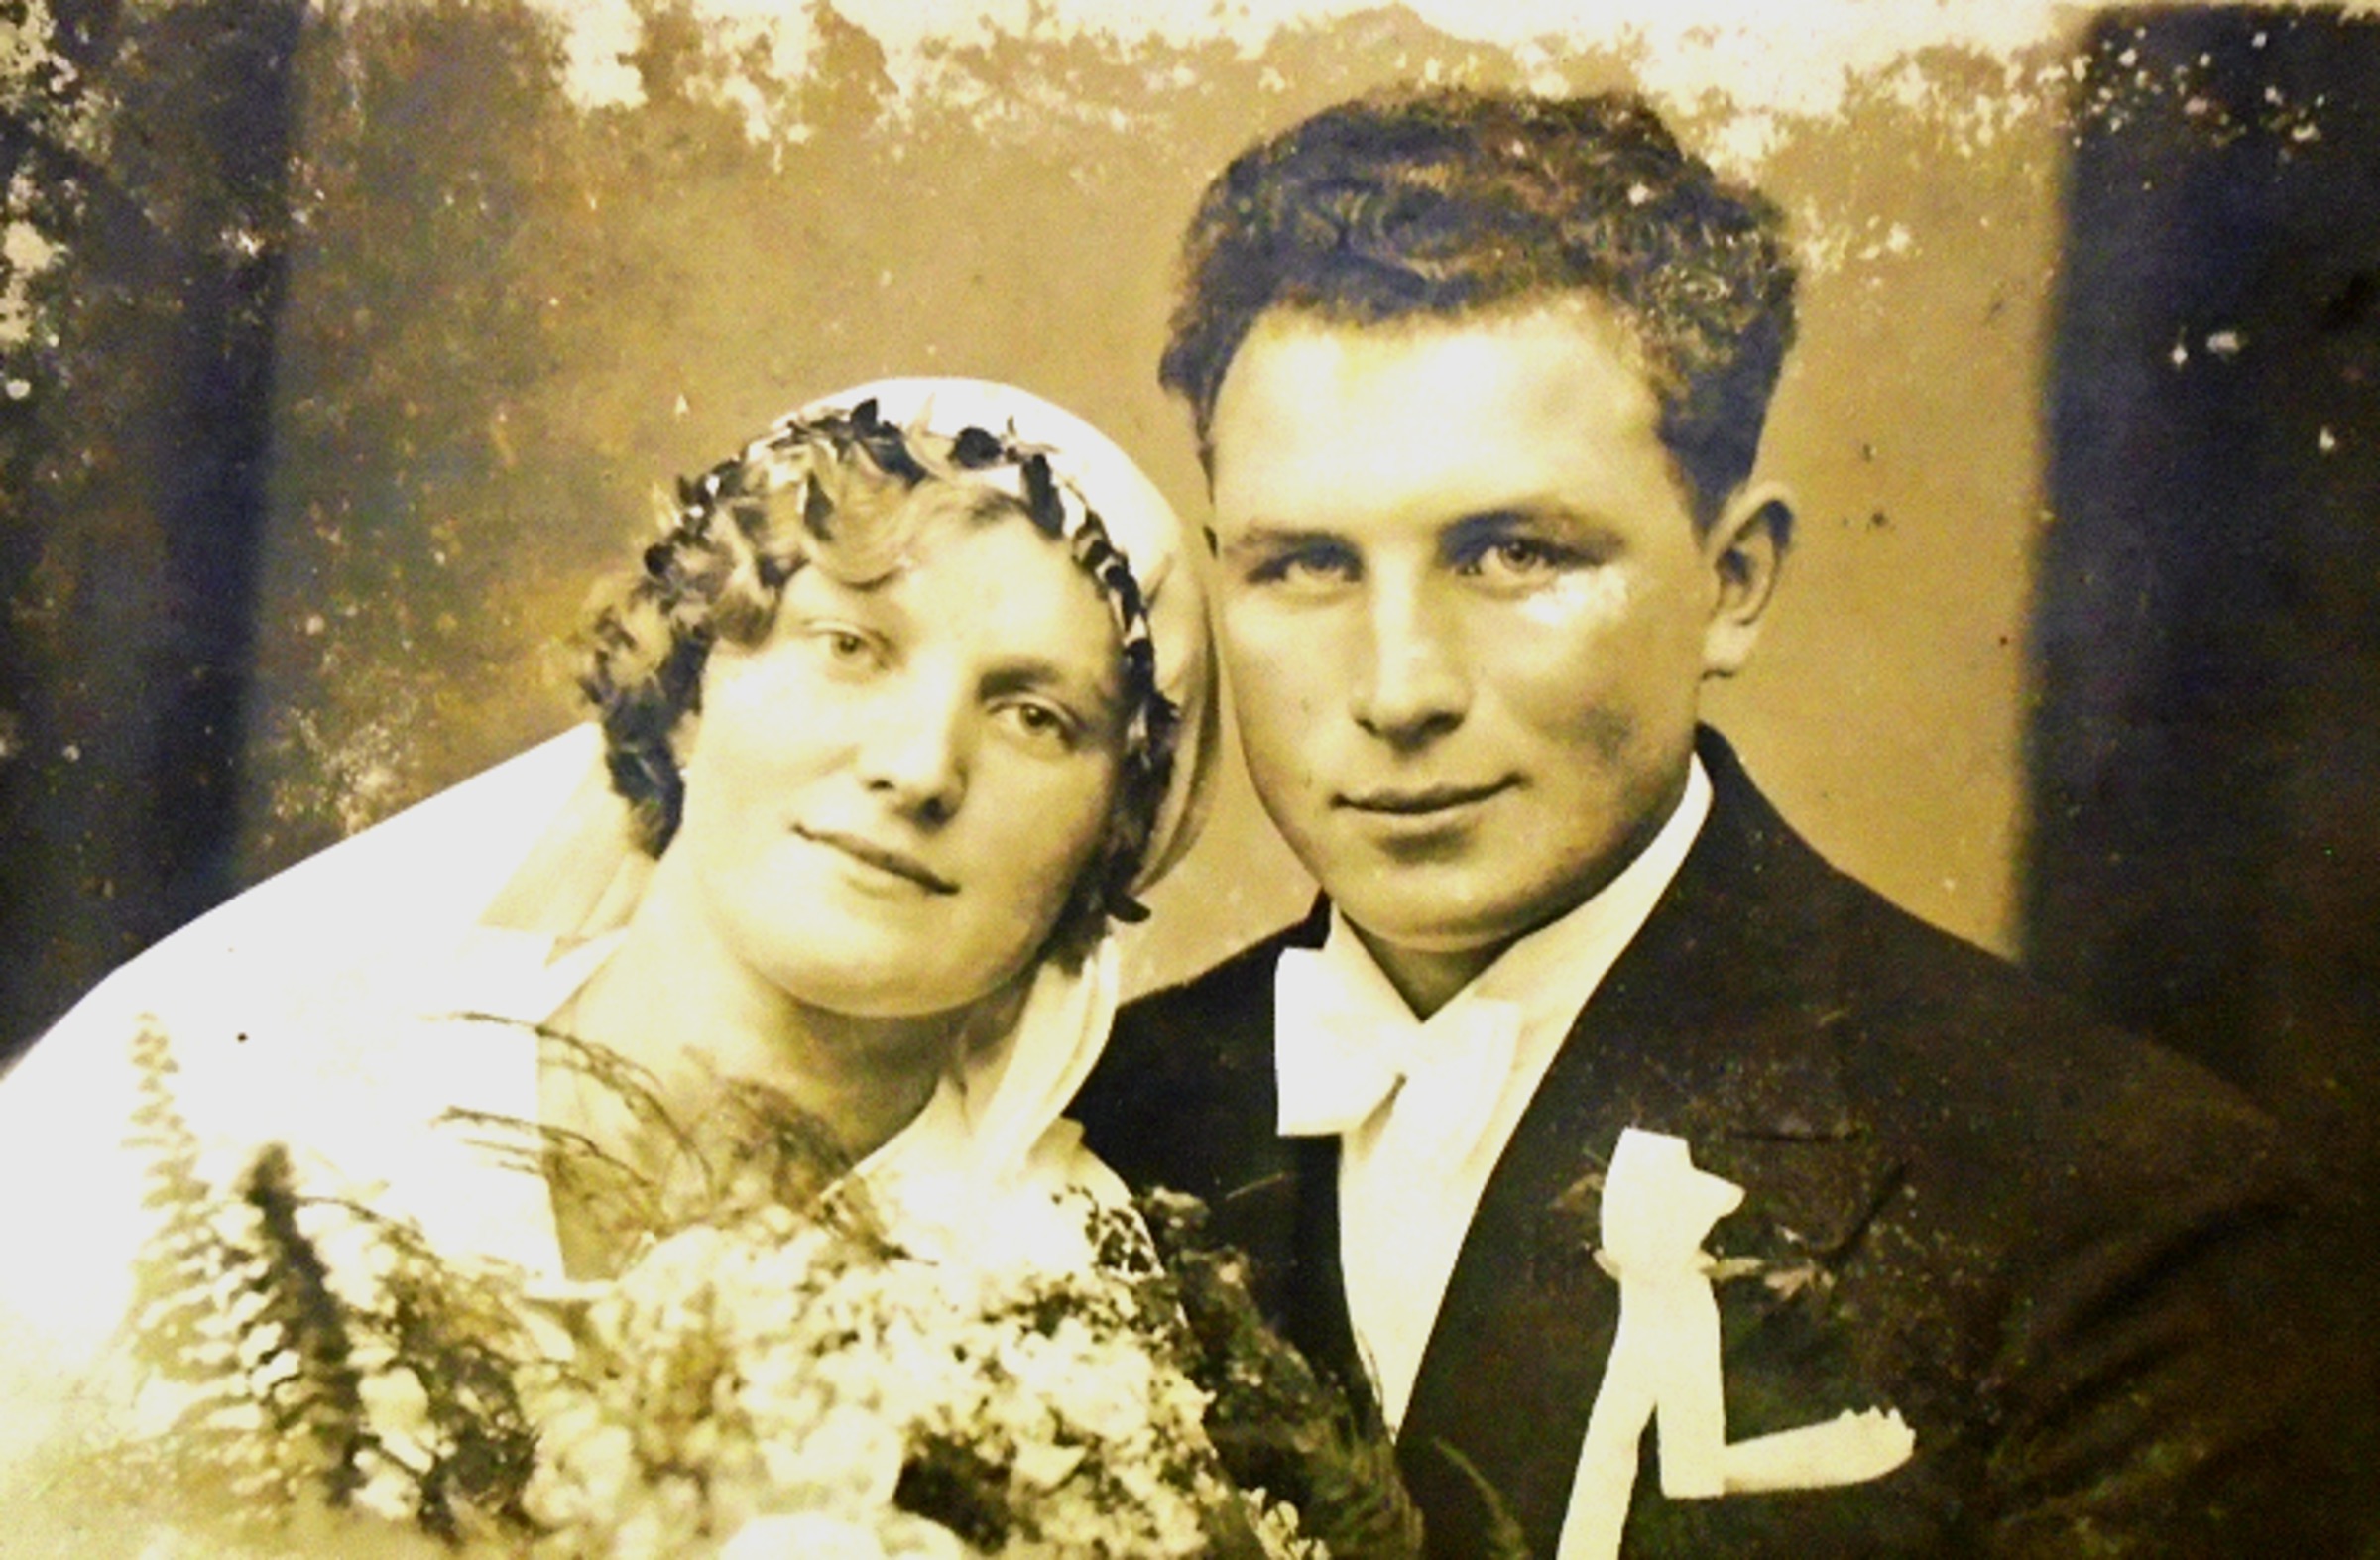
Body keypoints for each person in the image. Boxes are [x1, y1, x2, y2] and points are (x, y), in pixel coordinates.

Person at [1070, 87, 2360, 1558]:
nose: (1399, 686)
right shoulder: (1080, 1130)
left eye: (1513, 553)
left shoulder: (2124, 1216)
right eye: (1304, 565)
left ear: (1733, 582)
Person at [0, 378, 1216, 1523]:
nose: (919, 766)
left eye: (1034, 715)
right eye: (851, 644)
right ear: (688, 694)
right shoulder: (263, 1092)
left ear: (1109, 841)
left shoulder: (1073, 1321)